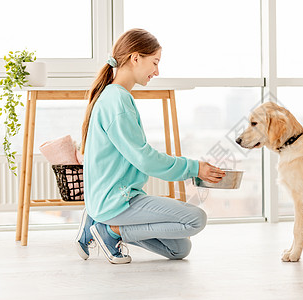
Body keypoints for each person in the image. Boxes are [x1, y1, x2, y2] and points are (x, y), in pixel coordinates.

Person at [75, 28, 225, 264]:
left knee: (179, 250)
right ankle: (110, 231)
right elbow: (145, 159)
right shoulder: (117, 101)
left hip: (116, 197)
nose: (157, 71)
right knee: (196, 219)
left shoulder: (114, 96)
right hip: (117, 200)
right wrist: (194, 168)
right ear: (136, 58)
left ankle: (99, 222)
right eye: (154, 62)